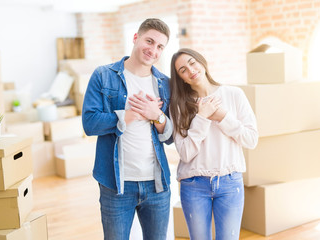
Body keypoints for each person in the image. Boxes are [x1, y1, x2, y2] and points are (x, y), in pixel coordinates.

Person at [82, 18, 173, 240]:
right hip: (116, 185)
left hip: (157, 185)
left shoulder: (165, 83)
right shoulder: (103, 75)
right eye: (149, 41)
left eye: (160, 46)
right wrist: (130, 115)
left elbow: (169, 136)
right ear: (135, 38)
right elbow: (90, 124)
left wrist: (156, 115)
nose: (153, 50)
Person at [169, 48, 258, 240]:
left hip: (230, 183)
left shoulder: (234, 94)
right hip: (193, 185)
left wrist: (223, 117)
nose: (190, 70)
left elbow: (251, 139)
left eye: (192, 63)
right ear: (181, 79)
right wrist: (202, 117)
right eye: (183, 70)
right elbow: (185, 153)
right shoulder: (178, 105)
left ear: (202, 62)